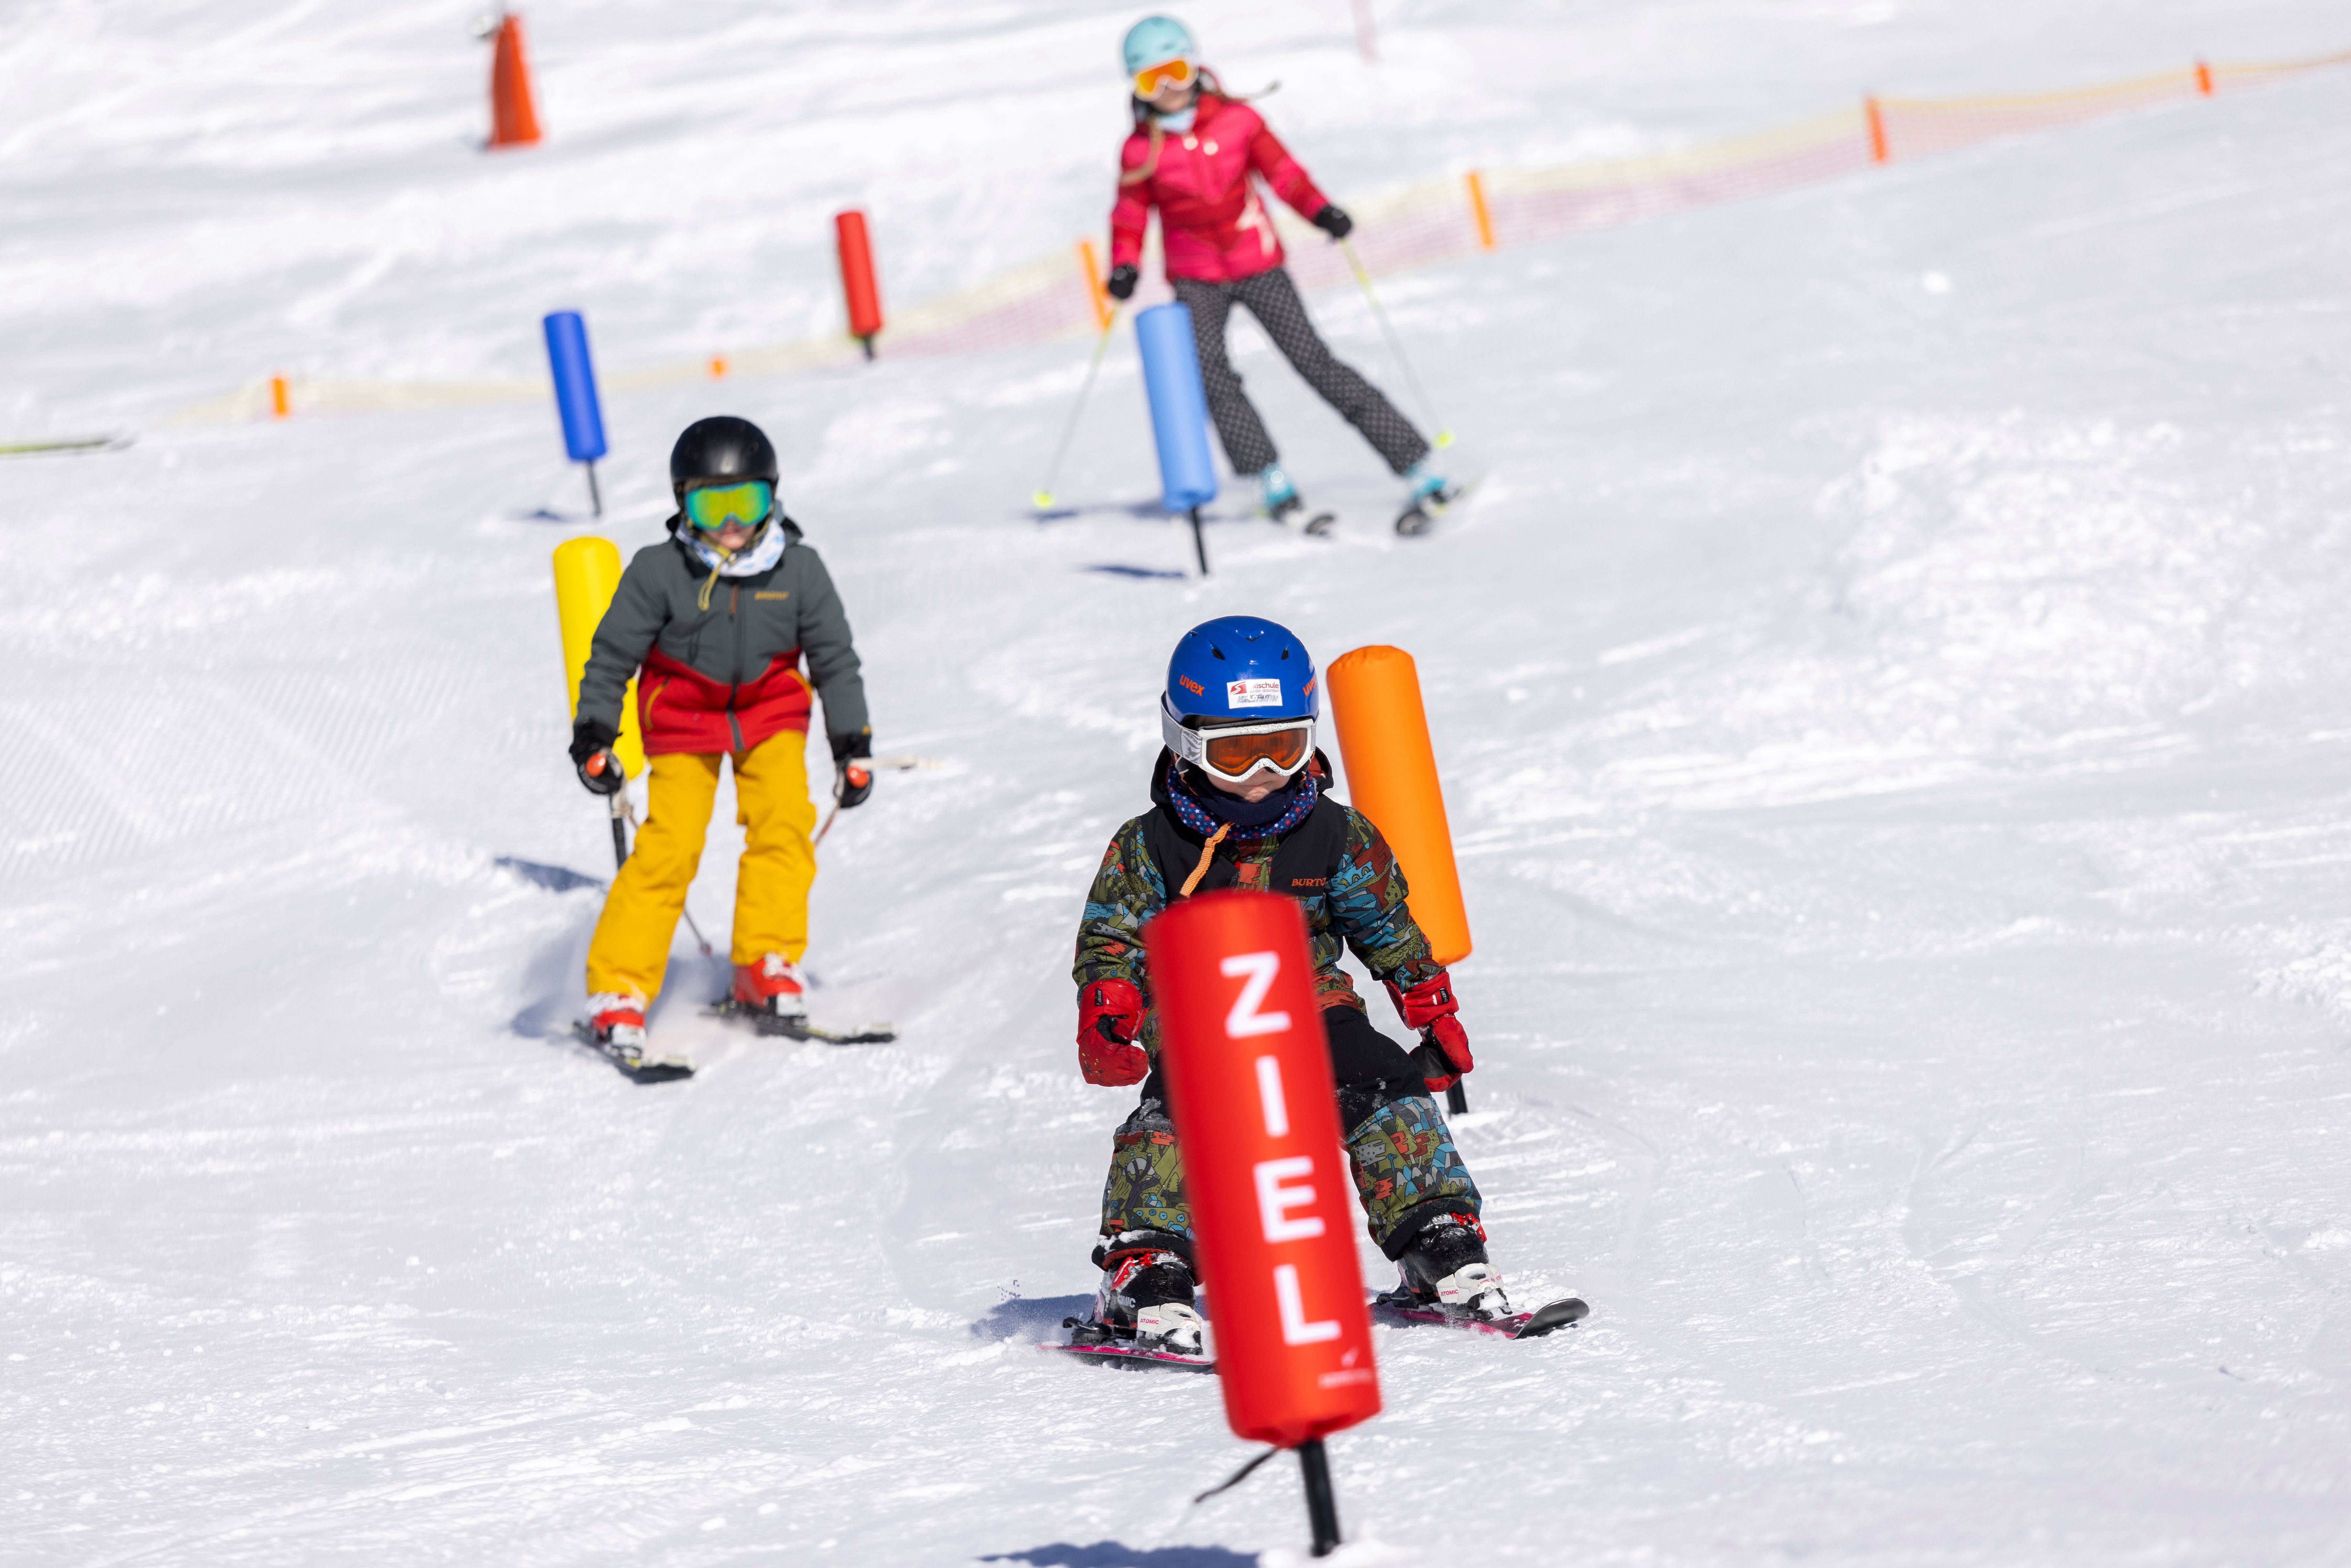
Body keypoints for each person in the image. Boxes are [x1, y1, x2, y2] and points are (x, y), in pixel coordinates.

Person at [1070, 615, 1500, 1357]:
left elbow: (1385, 924)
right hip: (1197, 1007)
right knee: (1182, 1102)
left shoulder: (1337, 834)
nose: (1261, 771)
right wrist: (1110, 1007)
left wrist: (1427, 1001)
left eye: (1284, 745)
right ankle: (1149, 1265)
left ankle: (1439, 1238)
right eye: (1235, 752)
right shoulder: (1148, 844)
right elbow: (1113, 936)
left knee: (1383, 1080)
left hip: (1310, 1000)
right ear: (1184, 740)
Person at [569, 415, 873, 1054]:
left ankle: (765, 961)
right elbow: (611, 655)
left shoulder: (800, 569)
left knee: (784, 822)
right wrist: (595, 732)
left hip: (770, 715)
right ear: (685, 504)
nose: (732, 523)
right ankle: (618, 988)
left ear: (772, 498)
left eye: (748, 502)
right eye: (713, 505)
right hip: (682, 722)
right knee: (671, 846)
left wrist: (853, 744)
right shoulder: (659, 571)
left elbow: (835, 659)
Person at [1105, 16, 1458, 530]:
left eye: (1177, 71)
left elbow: (1284, 175)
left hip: (1258, 263)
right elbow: (1130, 214)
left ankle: (1416, 466)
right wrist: (1124, 266)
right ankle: (1269, 479)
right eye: (1151, 80)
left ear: (1197, 67)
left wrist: (1320, 210)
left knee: (1314, 361)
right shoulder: (1140, 150)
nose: (1168, 90)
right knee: (1211, 375)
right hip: (1196, 277)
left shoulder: (1239, 121)